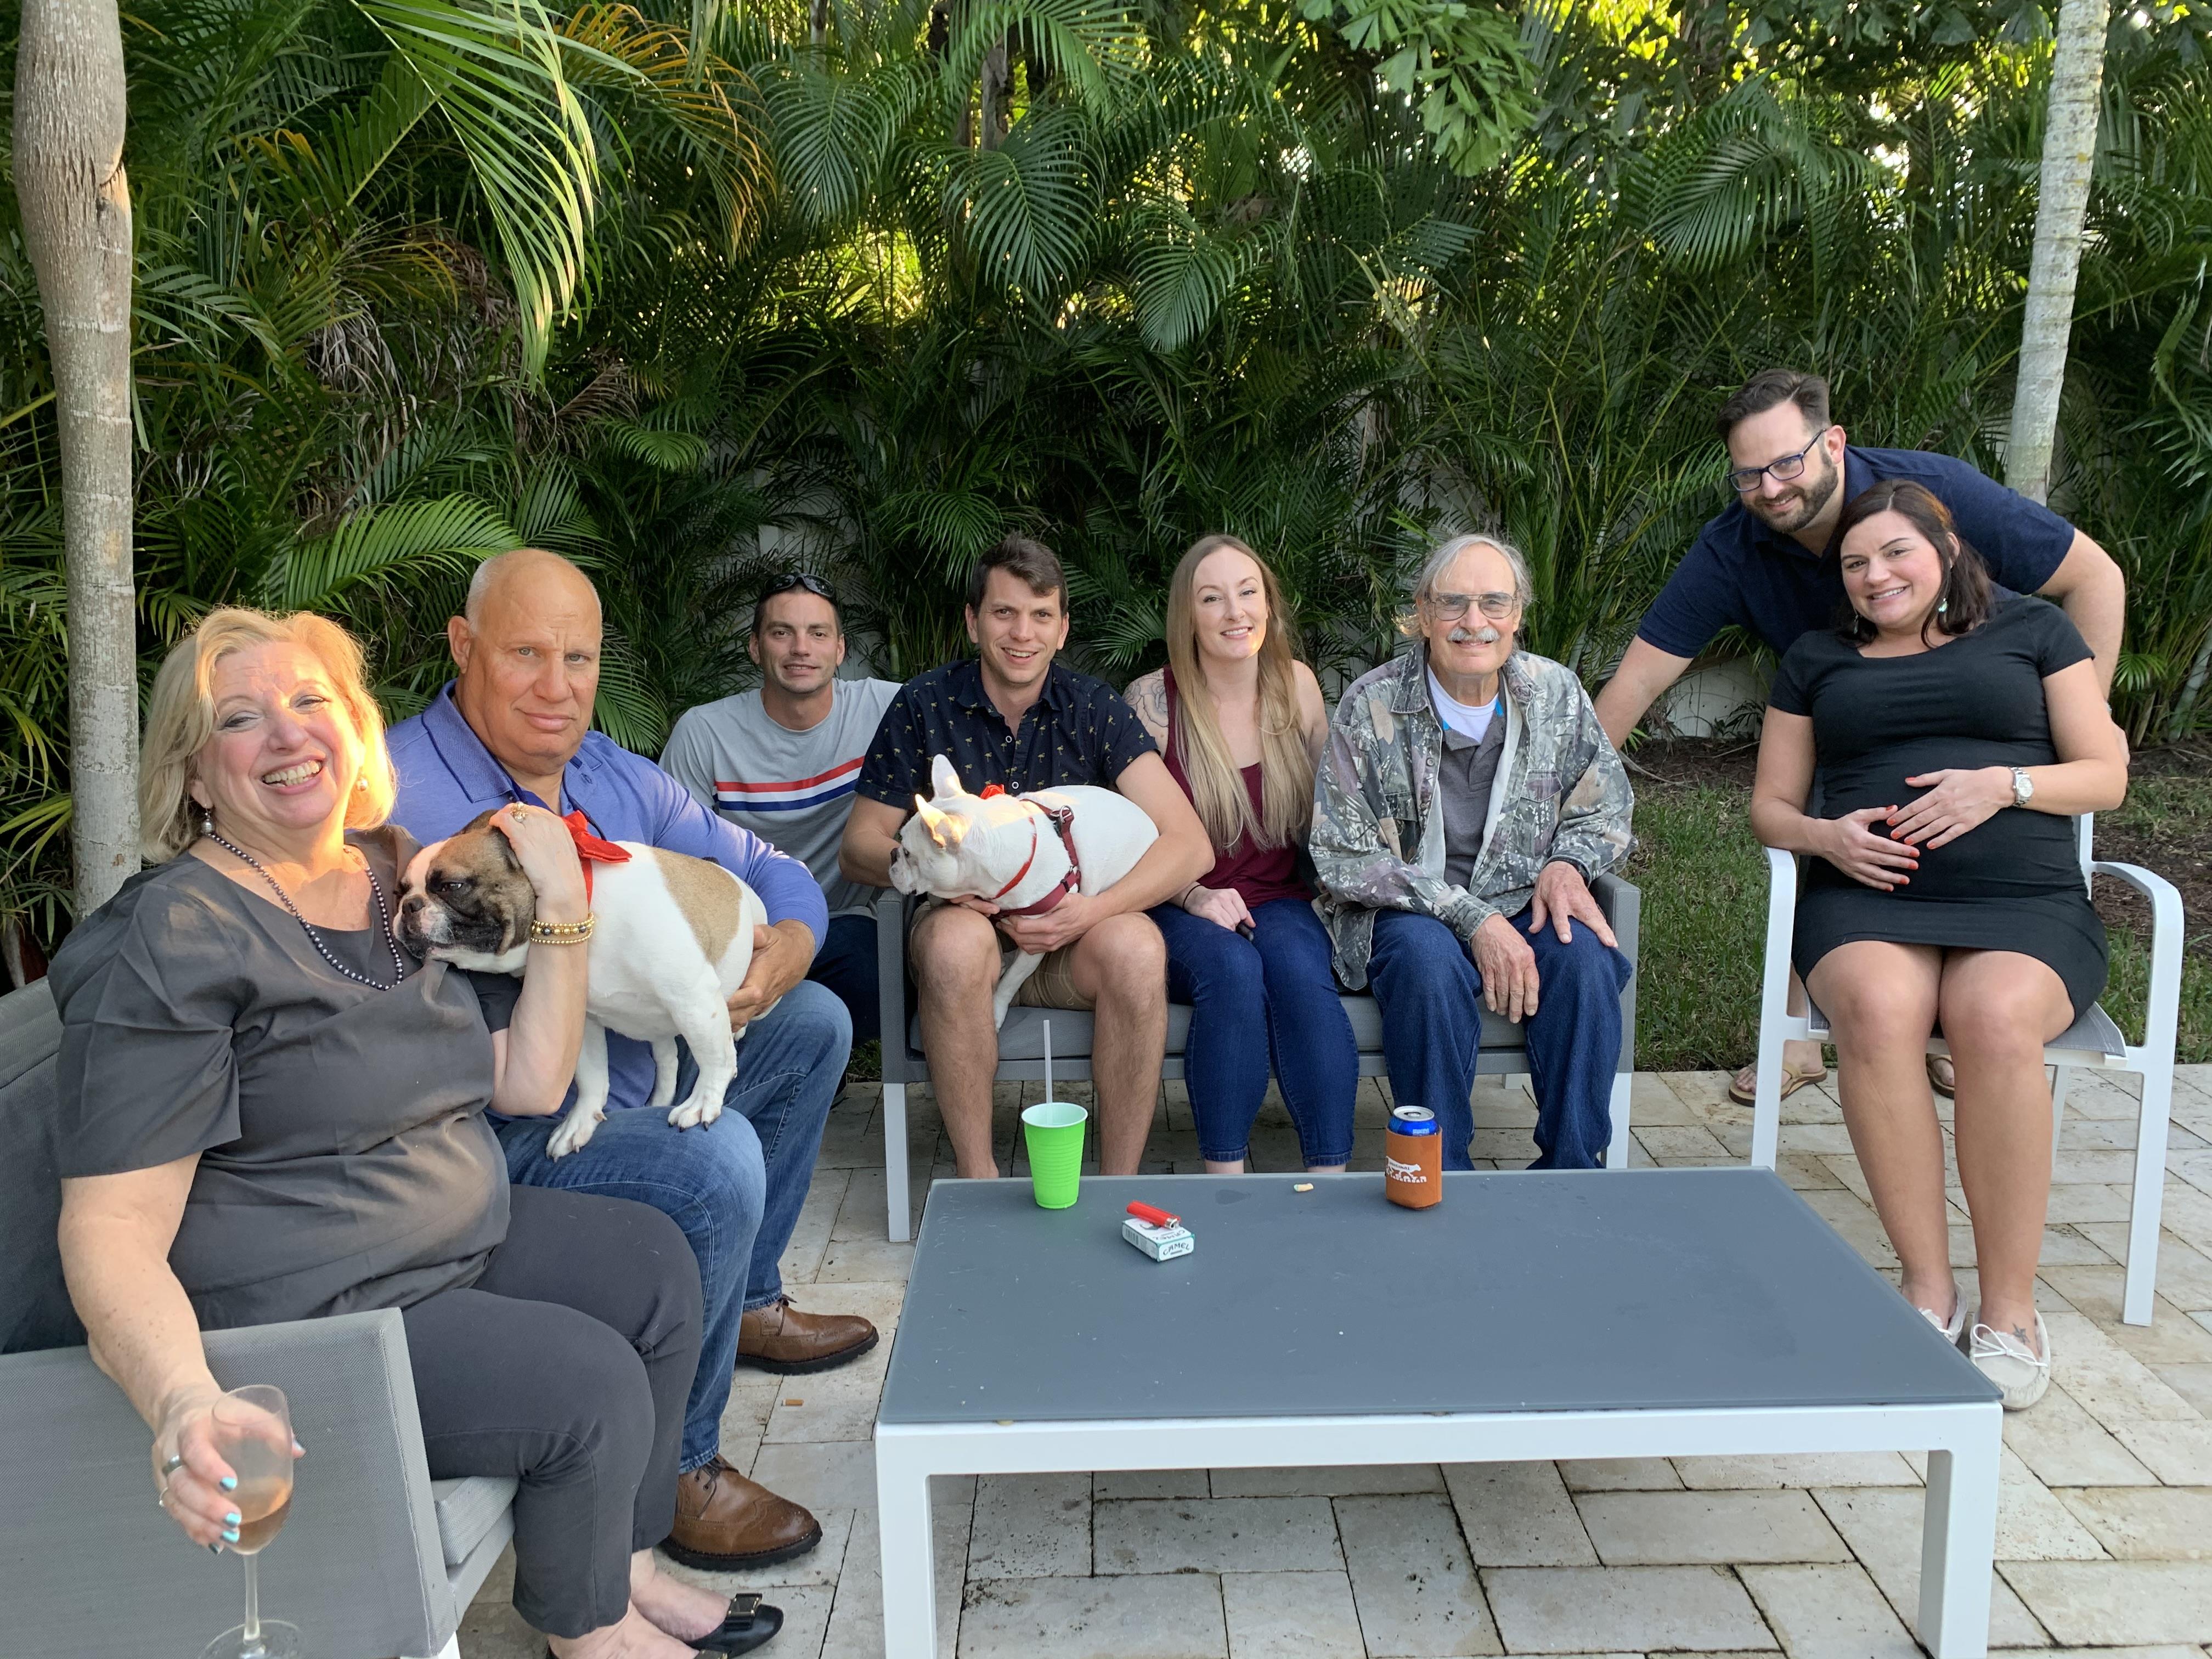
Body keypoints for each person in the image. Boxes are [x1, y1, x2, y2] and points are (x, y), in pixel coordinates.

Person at [50, 607, 783, 1656]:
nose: (289, 732)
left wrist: (562, 900)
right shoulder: (175, 936)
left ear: (356, 730)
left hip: (447, 1246)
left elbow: (528, 1079)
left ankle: (621, 1572)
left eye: (311, 701)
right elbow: (112, 1225)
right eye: (241, 718)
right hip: (318, 1307)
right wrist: (181, 1399)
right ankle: (591, 1634)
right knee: (591, 1382)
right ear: (195, 773)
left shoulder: (382, 874)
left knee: (656, 1268)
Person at [388, 549, 870, 1573]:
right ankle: (680, 1466)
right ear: (463, 647)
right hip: (506, 1128)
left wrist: (787, 944)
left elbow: (769, 868)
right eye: (526, 653)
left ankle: (745, 1298)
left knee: (813, 1019)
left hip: (632, 1074)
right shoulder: (397, 793)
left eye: (579, 658)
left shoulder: (612, 774)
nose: (558, 686)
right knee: (713, 1159)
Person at [1592, 368, 2128, 1107]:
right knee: (1820, 812)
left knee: (1989, 967)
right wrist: (1567, 802)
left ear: (1833, 444)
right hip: (1840, 714)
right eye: (1749, 475)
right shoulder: (1734, 547)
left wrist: (2082, 720)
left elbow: (2095, 577)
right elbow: (1637, 684)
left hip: (1987, 718)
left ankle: (1961, 1033)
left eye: (1787, 463)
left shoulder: (1936, 493)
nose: (1771, 488)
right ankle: (1798, 1037)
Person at [1750, 481, 2128, 1409]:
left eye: (1895, 553)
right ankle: (1926, 1287)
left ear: (1947, 549)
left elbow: (2104, 774)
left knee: (1990, 1017)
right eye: (1854, 563)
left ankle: (2009, 1308)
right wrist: (1826, 837)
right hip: (1868, 896)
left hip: (2023, 900)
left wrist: (2003, 784)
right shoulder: (1815, 659)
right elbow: (1770, 807)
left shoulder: (2035, 631)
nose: (1875, 575)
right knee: (1879, 1011)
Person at [839, 535, 1213, 1178]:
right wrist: (943, 882)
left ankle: (1116, 1185)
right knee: (955, 943)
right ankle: (978, 1179)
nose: (1022, 633)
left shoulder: (1094, 708)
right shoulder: (925, 704)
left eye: (1041, 615)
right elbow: (859, 845)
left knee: (1137, 947)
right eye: (1005, 613)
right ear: (973, 621)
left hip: (1073, 938)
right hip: (969, 932)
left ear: (1062, 629)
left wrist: (1093, 910)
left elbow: (1190, 843)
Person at [1311, 533, 1634, 1171]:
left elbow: (1607, 805)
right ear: (1423, 613)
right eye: (1453, 603)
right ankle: (1441, 1174)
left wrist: (1568, 865)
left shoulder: (1556, 694)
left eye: (1494, 602)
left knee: (1584, 962)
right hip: (1409, 913)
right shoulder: (1371, 705)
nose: (1474, 622)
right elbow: (1342, 851)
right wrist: (1469, 916)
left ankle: (1573, 1174)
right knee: (1427, 966)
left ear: (1518, 614)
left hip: (1522, 900)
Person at [1122, 535, 1356, 1172]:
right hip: (1177, 902)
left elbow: (1337, 814)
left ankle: (1329, 1183)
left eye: (1248, 592)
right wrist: (1193, 895)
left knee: (1299, 975)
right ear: (1187, 615)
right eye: (1212, 598)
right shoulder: (1152, 704)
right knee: (1231, 971)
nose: (1235, 612)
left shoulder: (1297, 687)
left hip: (1278, 896)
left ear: (1269, 603)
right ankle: (1225, 1183)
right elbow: (1124, 840)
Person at [663, 572, 901, 1046]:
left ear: (840, 649)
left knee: (875, 971)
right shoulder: (704, 733)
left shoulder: (887, 709)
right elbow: (674, 866)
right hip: (742, 935)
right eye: (781, 632)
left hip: (842, 926)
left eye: (818, 633)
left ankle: (813, 1060)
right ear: (756, 647)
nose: (801, 648)